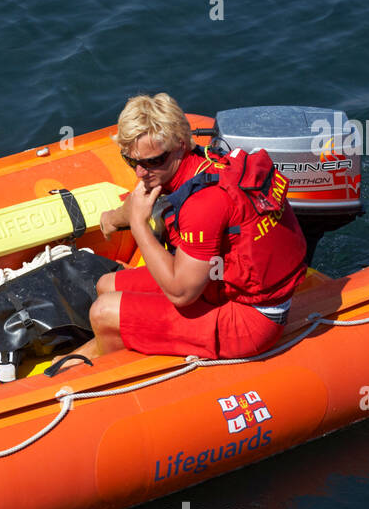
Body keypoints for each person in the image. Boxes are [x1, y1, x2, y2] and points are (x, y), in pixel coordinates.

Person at [74, 93, 307, 362]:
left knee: (103, 311)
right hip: (218, 282)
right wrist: (112, 219)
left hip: (252, 319)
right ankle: (107, 345)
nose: (140, 172)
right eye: (132, 161)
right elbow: (138, 199)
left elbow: (181, 293)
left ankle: (114, 376)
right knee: (107, 285)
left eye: (152, 162)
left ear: (180, 145)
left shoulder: (202, 204)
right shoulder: (201, 161)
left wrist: (139, 225)